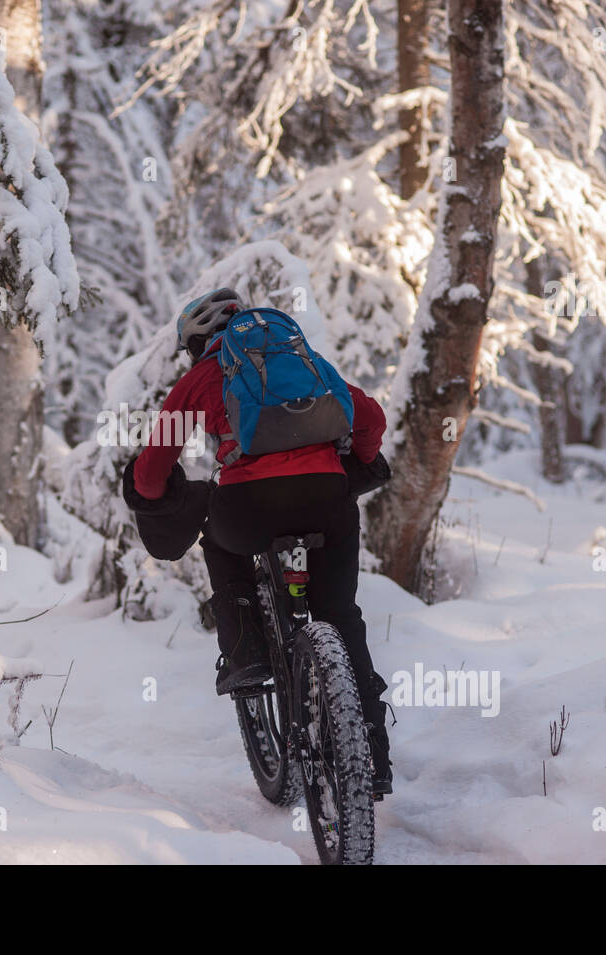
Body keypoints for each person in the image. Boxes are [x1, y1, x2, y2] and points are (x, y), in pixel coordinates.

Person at [122, 287, 394, 795]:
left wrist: (147, 492)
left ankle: (246, 650)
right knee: (340, 615)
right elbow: (371, 419)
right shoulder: (302, 360)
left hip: (248, 504)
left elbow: (156, 465)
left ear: (198, 342)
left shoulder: (201, 377)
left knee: (221, 539)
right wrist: (355, 460)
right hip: (327, 499)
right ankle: (371, 756)